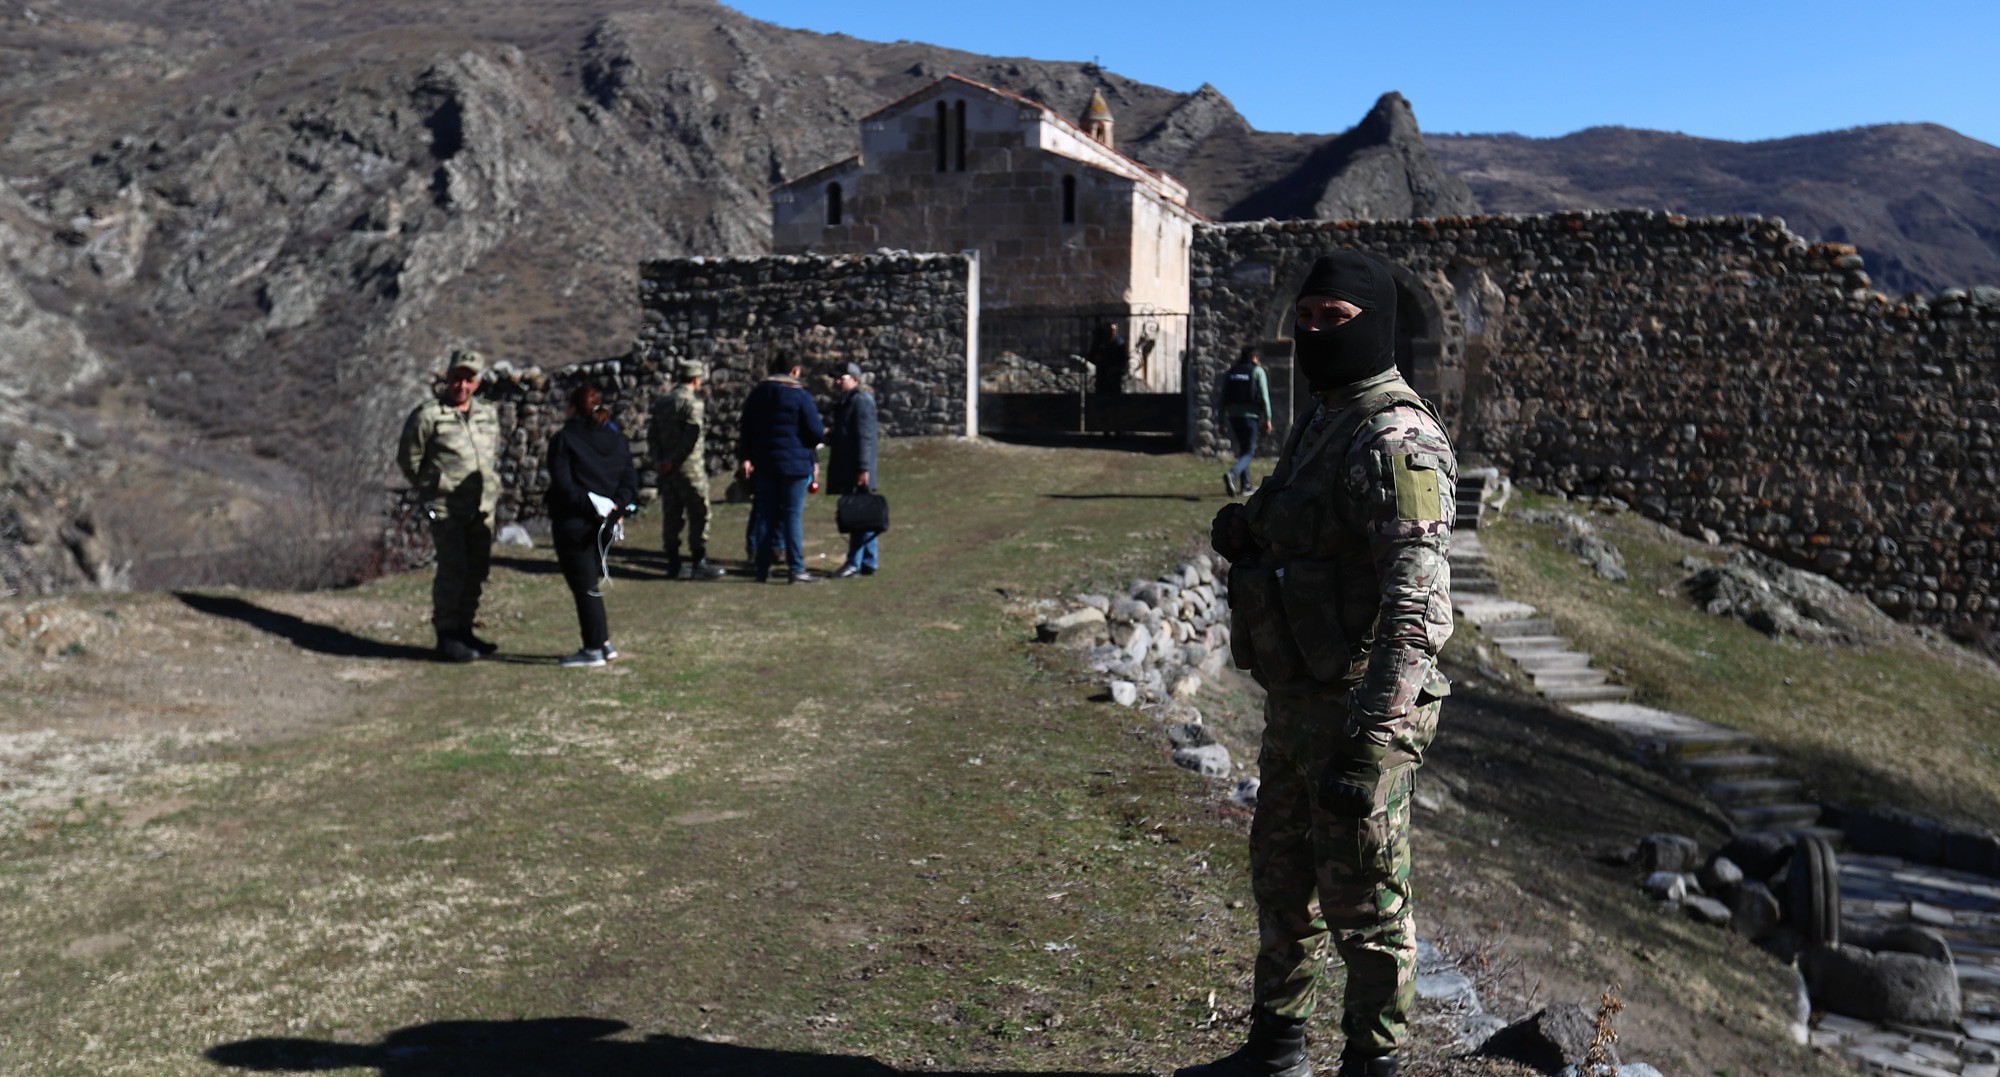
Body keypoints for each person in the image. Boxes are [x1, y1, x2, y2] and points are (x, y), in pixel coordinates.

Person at [1188, 250, 1456, 1077]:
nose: (1312, 331)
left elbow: (1415, 609)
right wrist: (1252, 532)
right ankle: (1275, 1050)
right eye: (1303, 317)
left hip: (1358, 713)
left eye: (1332, 319)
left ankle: (1374, 1063)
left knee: (1367, 902)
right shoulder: (1324, 418)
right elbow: (1308, 530)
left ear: (1375, 324)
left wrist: (1373, 742)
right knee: (1281, 881)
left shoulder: (1398, 438)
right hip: (1297, 703)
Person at [398, 348, 503, 663]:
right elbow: (409, 458)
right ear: (448, 378)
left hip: (482, 506)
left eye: (469, 380)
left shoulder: (487, 414)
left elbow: (490, 454)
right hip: (448, 508)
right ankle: (447, 636)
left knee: (477, 570)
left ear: (478, 382)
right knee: (453, 569)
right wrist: (432, 486)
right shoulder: (429, 415)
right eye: (457, 378)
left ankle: (465, 630)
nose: (462, 386)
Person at [545, 382, 639, 668]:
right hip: (606, 525)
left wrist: (592, 506)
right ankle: (604, 642)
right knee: (591, 581)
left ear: (572, 409)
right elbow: (629, 482)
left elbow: (564, 486)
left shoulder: (564, 440)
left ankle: (593, 648)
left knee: (585, 587)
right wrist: (614, 508)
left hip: (574, 523)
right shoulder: (617, 440)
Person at [736, 354, 825, 584]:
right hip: (795, 463)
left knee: (766, 514)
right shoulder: (800, 396)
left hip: (765, 462)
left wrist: (747, 456)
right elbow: (815, 432)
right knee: (792, 515)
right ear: (794, 370)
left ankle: (762, 567)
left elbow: (746, 428)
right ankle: (796, 568)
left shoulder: (758, 394)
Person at [648, 360, 726, 580]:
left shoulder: (663, 402)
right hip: (689, 467)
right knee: (699, 512)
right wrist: (674, 460)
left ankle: (673, 562)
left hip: (666, 468)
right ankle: (698, 560)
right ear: (696, 379)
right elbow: (691, 436)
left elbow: (652, 434)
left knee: (672, 514)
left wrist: (659, 460)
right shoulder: (693, 403)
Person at [825, 362, 880, 578]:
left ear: (855, 379)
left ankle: (854, 562)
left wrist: (863, 467)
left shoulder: (861, 401)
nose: (838, 382)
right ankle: (869, 560)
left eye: (842, 377)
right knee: (864, 515)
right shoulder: (847, 402)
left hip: (856, 468)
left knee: (857, 516)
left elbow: (865, 436)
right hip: (852, 466)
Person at [1218, 345, 1273, 497]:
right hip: (1251, 417)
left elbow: (1222, 398)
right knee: (1250, 451)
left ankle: (1246, 486)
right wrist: (1268, 418)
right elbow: (1264, 397)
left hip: (1233, 417)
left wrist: (1221, 420)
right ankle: (1233, 474)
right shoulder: (1257, 371)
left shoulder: (1231, 372)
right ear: (1254, 357)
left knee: (1243, 450)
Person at [1089, 320, 1128, 396]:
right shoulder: (1100, 342)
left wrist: (1118, 369)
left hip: (1114, 377)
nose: (1110, 332)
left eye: (1112, 330)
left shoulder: (1119, 343)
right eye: (1108, 330)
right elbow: (1092, 356)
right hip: (1102, 377)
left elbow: (1123, 359)